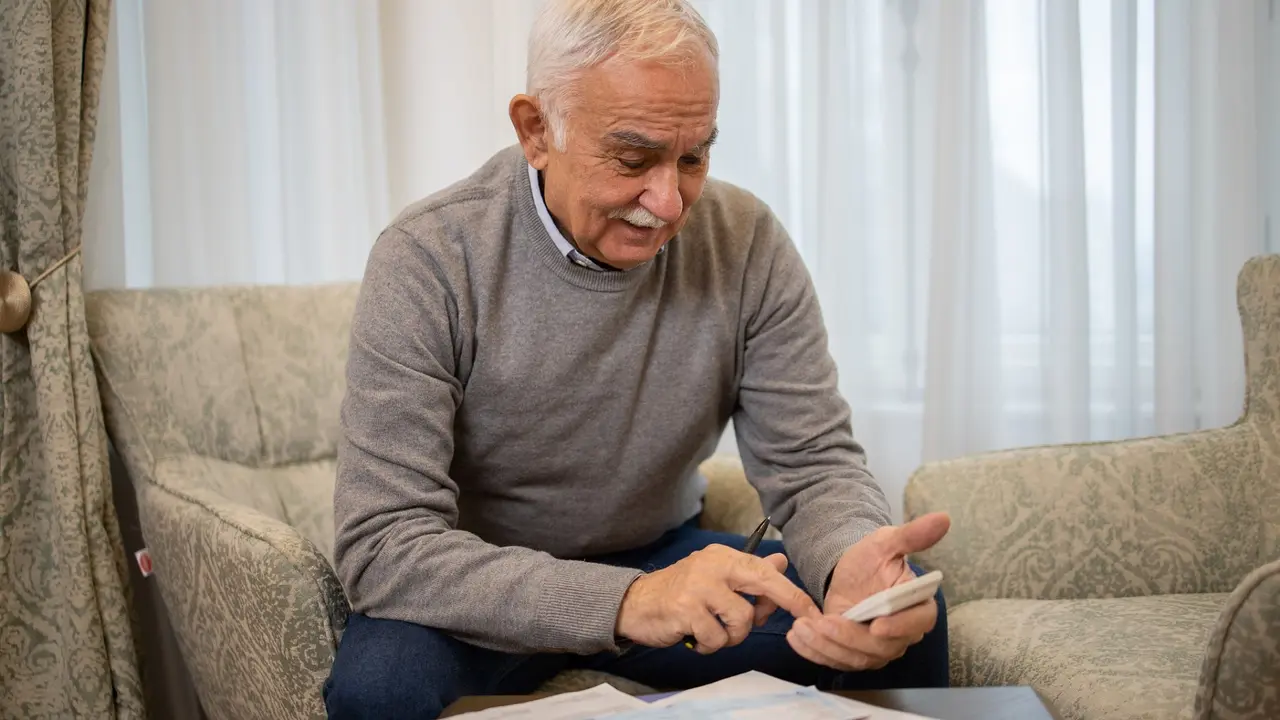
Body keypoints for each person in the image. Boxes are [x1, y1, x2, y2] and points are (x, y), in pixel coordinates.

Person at [323, 0, 951, 717]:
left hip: (659, 555)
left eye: (693, 157)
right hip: (477, 585)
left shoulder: (746, 242)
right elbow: (384, 544)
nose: (668, 201)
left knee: (900, 630)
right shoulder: (429, 257)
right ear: (536, 131)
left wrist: (851, 560)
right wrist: (626, 602)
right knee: (379, 694)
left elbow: (812, 462)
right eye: (632, 157)